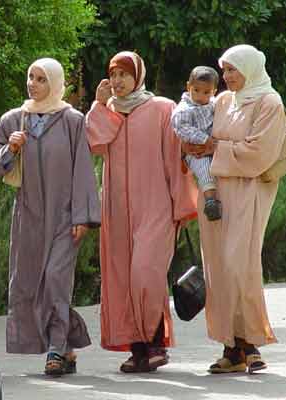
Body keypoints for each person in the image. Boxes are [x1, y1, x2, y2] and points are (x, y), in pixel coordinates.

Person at [0, 58, 100, 376]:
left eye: (41, 79)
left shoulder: (72, 120)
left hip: (64, 217)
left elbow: (83, 169)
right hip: (29, 217)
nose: (33, 84)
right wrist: (10, 150)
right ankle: (66, 343)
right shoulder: (13, 119)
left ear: (56, 83)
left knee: (56, 281)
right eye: (30, 77)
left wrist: (82, 216)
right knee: (32, 282)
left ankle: (56, 349)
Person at [85, 51, 198, 373]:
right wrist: (98, 104)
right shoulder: (108, 112)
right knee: (122, 279)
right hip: (118, 212)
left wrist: (181, 205)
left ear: (138, 76)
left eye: (124, 74)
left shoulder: (163, 109)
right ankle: (138, 350)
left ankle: (156, 343)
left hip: (157, 208)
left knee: (145, 275)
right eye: (113, 74)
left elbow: (177, 160)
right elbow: (94, 143)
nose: (118, 81)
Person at [183, 44, 286, 374]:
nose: (226, 77)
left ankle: (251, 341)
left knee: (239, 264)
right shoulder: (224, 101)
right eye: (224, 70)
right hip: (215, 194)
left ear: (251, 69)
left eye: (232, 70)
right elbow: (195, 128)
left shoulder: (270, 102)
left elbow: (259, 154)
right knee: (218, 268)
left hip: (250, 190)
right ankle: (232, 348)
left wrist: (214, 147)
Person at [171, 66, 222, 221]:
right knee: (204, 169)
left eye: (206, 92)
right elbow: (181, 128)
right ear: (188, 87)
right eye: (196, 90)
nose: (200, 96)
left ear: (214, 92)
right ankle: (211, 201)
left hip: (214, 148)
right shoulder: (184, 109)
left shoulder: (213, 103)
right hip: (195, 151)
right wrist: (204, 139)